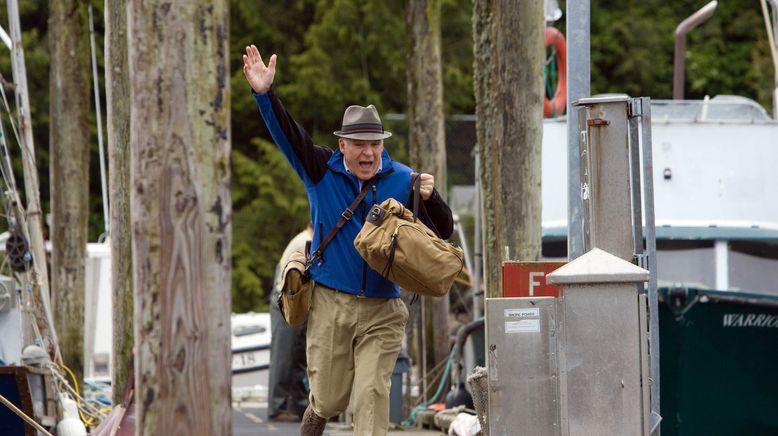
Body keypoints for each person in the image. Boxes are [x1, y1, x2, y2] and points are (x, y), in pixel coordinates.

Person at [242, 44, 454, 436]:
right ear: (343, 146)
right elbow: (287, 133)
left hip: (383, 309)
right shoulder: (320, 169)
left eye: (375, 144)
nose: (369, 152)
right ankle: (315, 417)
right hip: (331, 303)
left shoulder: (403, 180)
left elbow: (442, 235)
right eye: (360, 144)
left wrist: (432, 198)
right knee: (328, 398)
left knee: (371, 396)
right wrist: (264, 95)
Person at [267, 224, 313, 422]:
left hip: (293, 300)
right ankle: (277, 407)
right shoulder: (305, 242)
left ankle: (297, 405)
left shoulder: (305, 238)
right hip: (285, 301)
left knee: (297, 357)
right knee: (283, 357)